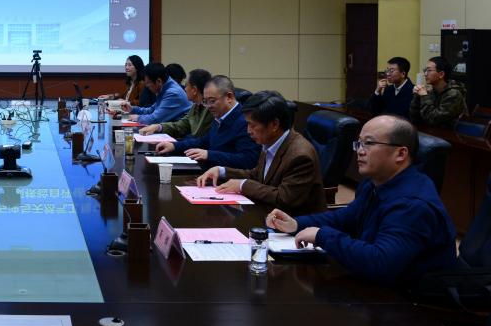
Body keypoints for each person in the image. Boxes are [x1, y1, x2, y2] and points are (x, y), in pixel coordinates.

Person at [267, 115, 457, 287]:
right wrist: (296, 224)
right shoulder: (374, 183)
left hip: (412, 301)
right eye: (358, 143)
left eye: (369, 143)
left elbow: (381, 263)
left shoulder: (412, 205)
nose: (359, 151)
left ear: (401, 154)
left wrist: (322, 235)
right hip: (377, 286)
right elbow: (345, 218)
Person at [197, 91, 326, 215]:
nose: (248, 131)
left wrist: (243, 185)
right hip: (267, 213)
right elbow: (257, 175)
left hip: (296, 223)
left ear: (274, 124)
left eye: (252, 125)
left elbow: (284, 198)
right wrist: (221, 171)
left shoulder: (300, 156)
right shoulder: (270, 141)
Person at [154, 75, 258, 170]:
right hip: (210, 171)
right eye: (205, 101)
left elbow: (248, 160)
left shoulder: (245, 121)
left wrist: (209, 155)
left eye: (212, 101)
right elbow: (204, 141)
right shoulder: (220, 116)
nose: (208, 107)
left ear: (229, 97)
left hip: (228, 178)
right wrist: (174, 146)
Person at [139, 68, 213, 139]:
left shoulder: (209, 110)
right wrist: (159, 127)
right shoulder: (196, 105)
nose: (185, 89)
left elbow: (197, 137)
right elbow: (181, 125)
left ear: (194, 90)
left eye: (186, 85)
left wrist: (175, 145)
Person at [122, 62, 191, 125]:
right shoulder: (164, 88)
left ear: (159, 81)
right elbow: (151, 110)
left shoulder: (172, 93)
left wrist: (137, 118)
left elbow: (155, 119)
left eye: (148, 84)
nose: (147, 87)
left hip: (183, 133)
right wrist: (132, 109)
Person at [410, 56, 467, 128]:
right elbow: (415, 119)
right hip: (432, 131)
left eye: (429, 70)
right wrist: (417, 97)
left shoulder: (454, 94)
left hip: (450, 133)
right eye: (425, 70)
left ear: (441, 74)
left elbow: (433, 119)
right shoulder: (431, 91)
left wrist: (424, 96)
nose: (425, 74)